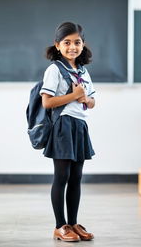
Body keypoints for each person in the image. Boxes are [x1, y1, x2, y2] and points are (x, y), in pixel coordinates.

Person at [39, 22, 96, 242]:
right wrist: (74, 96)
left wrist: (85, 98)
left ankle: (73, 223)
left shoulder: (83, 70)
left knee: (76, 177)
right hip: (63, 126)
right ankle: (59, 226)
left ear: (83, 44)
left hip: (80, 126)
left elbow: (91, 102)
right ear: (58, 45)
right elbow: (47, 102)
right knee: (61, 176)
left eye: (77, 42)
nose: (73, 46)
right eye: (67, 42)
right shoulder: (54, 69)